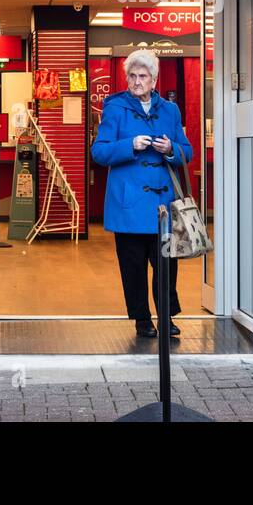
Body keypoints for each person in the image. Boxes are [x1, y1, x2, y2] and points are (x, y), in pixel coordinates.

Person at [90, 49, 193, 340]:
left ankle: (167, 316)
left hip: (163, 205)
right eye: (132, 76)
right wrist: (129, 145)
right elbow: (99, 151)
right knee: (133, 266)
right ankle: (141, 319)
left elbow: (187, 151)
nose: (137, 81)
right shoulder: (115, 107)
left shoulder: (170, 110)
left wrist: (170, 149)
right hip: (128, 203)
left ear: (154, 79)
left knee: (166, 264)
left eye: (143, 76)